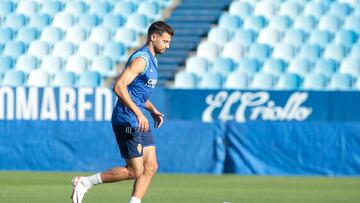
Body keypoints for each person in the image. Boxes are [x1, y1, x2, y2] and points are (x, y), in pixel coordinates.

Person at [71, 21, 174, 203]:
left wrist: (152, 109)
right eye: (165, 41)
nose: (168, 45)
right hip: (127, 119)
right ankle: (85, 183)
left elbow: (137, 93)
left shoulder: (153, 60)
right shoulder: (141, 59)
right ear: (154, 37)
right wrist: (139, 113)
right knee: (135, 171)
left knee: (151, 165)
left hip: (138, 119)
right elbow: (119, 86)